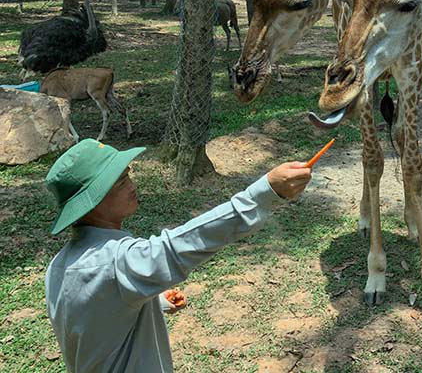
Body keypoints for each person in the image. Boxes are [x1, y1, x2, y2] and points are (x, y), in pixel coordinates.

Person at [44, 138, 312, 372]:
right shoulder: (118, 264)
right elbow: (177, 247)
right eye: (122, 180)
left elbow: (93, 315)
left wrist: (149, 300)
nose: (132, 184)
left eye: (128, 174)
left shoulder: (58, 267)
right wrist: (264, 193)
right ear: (94, 200)